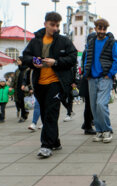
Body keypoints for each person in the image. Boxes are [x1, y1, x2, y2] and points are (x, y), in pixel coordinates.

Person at [22, 11, 77, 158]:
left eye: (57, 25)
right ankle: (56, 141)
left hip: (56, 83)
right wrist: (33, 61)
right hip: (39, 83)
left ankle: (46, 146)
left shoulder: (64, 41)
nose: (55, 28)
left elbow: (72, 58)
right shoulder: (36, 41)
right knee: (46, 114)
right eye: (52, 25)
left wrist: (56, 62)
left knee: (51, 114)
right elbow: (24, 57)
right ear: (45, 24)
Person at [83, 18, 117, 143]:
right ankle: (99, 131)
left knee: (101, 104)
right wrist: (86, 72)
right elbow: (87, 57)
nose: (102, 31)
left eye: (104, 28)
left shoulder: (111, 42)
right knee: (93, 106)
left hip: (105, 77)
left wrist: (110, 74)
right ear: (95, 28)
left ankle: (107, 130)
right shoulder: (91, 41)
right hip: (92, 78)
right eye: (100, 28)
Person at [79, 32, 96, 135]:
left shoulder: (86, 50)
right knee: (89, 105)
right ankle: (87, 126)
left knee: (89, 105)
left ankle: (86, 124)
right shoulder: (88, 50)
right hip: (88, 80)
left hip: (86, 80)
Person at [12, 57, 30, 123]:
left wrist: (30, 88)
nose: (17, 61)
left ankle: (23, 116)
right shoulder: (17, 70)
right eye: (17, 60)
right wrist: (11, 86)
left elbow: (30, 79)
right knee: (19, 102)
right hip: (18, 89)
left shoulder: (28, 69)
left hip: (25, 89)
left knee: (24, 103)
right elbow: (13, 79)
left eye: (19, 60)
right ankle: (25, 112)